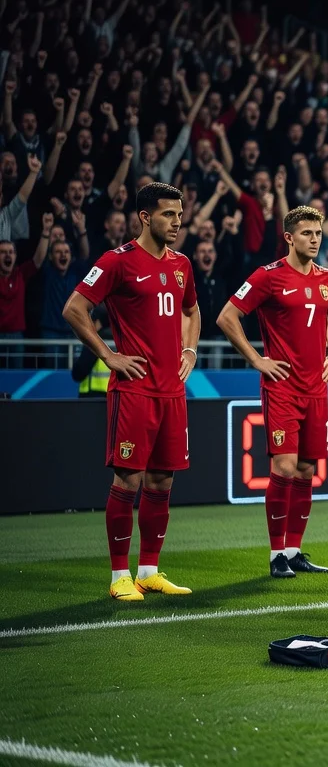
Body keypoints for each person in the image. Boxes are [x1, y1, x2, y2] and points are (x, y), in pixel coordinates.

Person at [62, 182, 200, 601]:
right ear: (145, 216)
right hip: (135, 391)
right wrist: (108, 355)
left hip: (171, 392)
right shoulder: (117, 261)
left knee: (161, 482)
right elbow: (74, 308)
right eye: (168, 215)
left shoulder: (182, 265)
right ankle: (119, 575)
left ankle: (149, 571)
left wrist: (190, 350)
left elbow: (191, 311)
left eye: (179, 214)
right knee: (129, 479)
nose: (177, 222)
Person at [217, 205, 328, 578]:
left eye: (318, 233)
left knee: (306, 469)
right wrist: (257, 359)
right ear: (289, 237)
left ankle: (294, 550)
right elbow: (227, 316)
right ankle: (276, 554)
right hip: (282, 388)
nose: (314, 240)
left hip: (316, 388)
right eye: (307, 233)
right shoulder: (268, 276)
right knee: (285, 467)